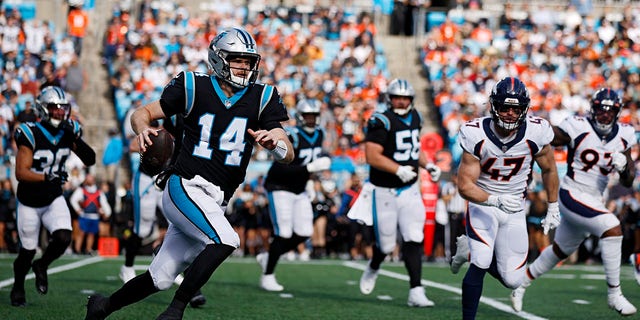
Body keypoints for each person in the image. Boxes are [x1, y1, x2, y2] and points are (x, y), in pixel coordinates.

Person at [84, 27, 294, 320]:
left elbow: (287, 150)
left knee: (160, 277)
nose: (244, 67)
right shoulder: (193, 86)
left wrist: (276, 145)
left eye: (248, 61)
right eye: (237, 60)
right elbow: (141, 113)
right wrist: (143, 129)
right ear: (219, 59)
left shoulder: (263, 96)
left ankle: (102, 307)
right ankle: (175, 310)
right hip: (184, 185)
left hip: (216, 199)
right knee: (226, 240)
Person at [510, 88, 637, 316]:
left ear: (617, 113)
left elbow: (628, 181)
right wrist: (526, 124)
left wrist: (624, 167)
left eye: (610, 112)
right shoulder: (578, 126)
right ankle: (614, 294)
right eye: (600, 110)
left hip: (595, 199)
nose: (604, 116)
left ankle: (521, 285)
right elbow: (549, 136)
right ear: (592, 110)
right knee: (612, 228)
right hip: (572, 192)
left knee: (560, 250)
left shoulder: (625, 135)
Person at [449, 77, 559, 319]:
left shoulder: (536, 131)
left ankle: (467, 249)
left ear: (524, 109)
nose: (510, 113)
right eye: (504, 107)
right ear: (493, 106)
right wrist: (493, 199)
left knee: (512, 280)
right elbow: (465, 186)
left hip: (515, 207)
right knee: (481, 260)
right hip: (483, 203)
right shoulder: (476, 133)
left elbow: (550, 169)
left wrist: (553, 206)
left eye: (516, 108)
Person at [356, 78, 441, 307]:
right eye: (397, 97)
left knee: (414, 236)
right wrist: (397, 169)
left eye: (405, 98)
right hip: (384, 190)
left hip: (409, 189)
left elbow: (414, 147)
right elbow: (372, 156)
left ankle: (416, 290)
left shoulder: (416, 117)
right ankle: (374, 266)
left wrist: (428, 164)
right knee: (385, 246)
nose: (402, 102)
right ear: (389, 98)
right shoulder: (380, 121)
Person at [10, 86, 96, 306]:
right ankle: (18, 285)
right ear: (42, 108)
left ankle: (43, 265)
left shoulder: (68, 130)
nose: (59, 112)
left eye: (62, 108)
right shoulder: (31, 132)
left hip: (52, 198)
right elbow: (21, 173)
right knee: (27, 252)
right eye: (54, 108)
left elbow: (90, 159)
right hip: (29, 200)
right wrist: (47, 177)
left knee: (63, 238)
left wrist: (74, 135)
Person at [257, 97, 331, 291]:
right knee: (284, 232)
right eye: (307, 116)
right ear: (300, 116)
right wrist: (310, 169)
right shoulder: (293, 135)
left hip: (299, 188)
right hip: (280, 186)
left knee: (305, 232)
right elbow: (281, 168)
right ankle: (268, 275)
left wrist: (310, 180)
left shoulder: (320, 134)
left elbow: (308, 167)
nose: (311, 120)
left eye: (314, 116)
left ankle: (269, 256)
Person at [70, 173, 112, 255]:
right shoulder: (81, 190)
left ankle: (88, 249)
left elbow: (104, 203)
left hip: (95, 216)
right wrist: (78, 209)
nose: (89, 180)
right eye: (88, 178)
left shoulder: (99, 192)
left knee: (91, 234)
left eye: (91, 178)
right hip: (84, 215)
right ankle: (77, 250)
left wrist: (107, 213)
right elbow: (73, 200)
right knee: (81, 233)